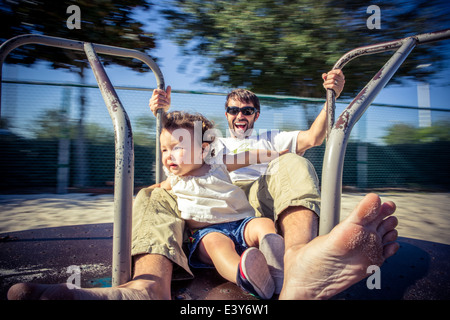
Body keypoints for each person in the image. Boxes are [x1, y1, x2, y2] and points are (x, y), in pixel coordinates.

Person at [7, 70, 400, 300]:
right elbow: (176, 143)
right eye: (233, 109)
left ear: (256, 113)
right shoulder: (205, 143)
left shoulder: (257, 142)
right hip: (209, 216)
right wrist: (160, 113)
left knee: (293, 160)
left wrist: (332, 94)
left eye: (247, 110)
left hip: (256, 204)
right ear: (225, 115)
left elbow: (315, 137)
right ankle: (147, 286)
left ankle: (296, 261)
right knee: (151, 194)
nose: (240, 115)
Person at [159, 110, 287, 299]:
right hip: (207, 233)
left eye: (177, 147)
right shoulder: (174, 180)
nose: (169, 155)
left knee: (264, 224)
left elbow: (249, 155)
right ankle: (246, 276)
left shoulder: (217, 164)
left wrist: (276, 154)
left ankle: (277, 268)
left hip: (242, 224)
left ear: (203, 149)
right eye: (164, 149)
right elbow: (155, 189)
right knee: (218, 247)